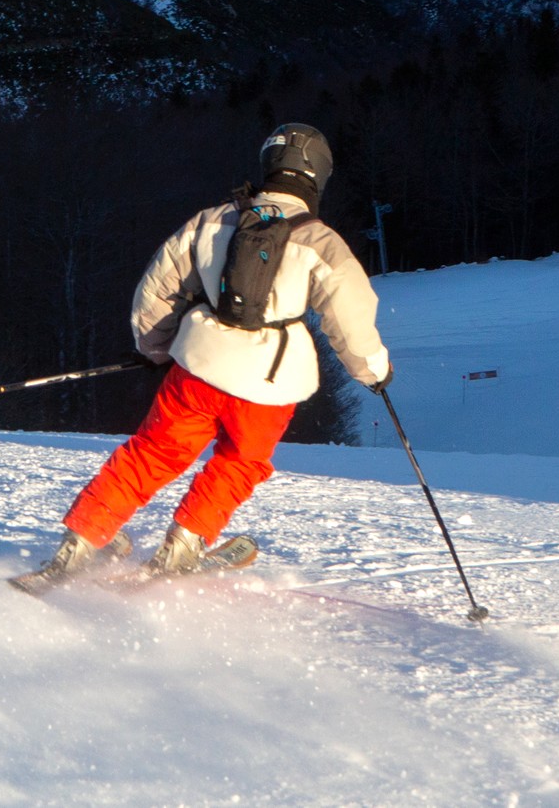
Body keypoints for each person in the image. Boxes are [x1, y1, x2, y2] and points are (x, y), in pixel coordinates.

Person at [23, 123, 391, 586]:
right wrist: (372, 370)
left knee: (152, 453)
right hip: (269, 385)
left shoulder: (213, 220)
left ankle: (80, 542)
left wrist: (155, 349)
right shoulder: (321, 241)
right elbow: (351, 315)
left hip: (197, 369)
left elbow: (157, 290)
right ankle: (183, 545)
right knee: (240, 462)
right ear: (318, 175)